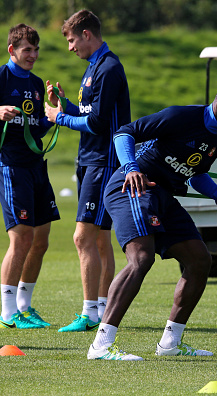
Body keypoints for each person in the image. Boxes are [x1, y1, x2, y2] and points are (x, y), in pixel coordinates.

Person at [86, 73, 217, 360]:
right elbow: (125, 132)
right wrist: (130, 167)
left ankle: (170, 344)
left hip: (163, 196)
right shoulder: (181, 116)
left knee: (199, 260)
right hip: (131, 186)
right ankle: (101, 345)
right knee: (141, 258)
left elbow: (197, 172)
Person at [45, 9, 130, 332]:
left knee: (83, 238)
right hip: (90, 161)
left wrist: (59, 119)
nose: (70, 47)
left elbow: (95, 123)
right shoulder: (94, 67)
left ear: (87, 35)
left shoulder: (109, 68)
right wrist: (64, 105)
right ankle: (103, 308)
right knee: (99, 240)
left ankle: (90, 313)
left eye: (71, 40)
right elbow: (90, 111)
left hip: (103, 162)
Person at [0, 24, 60, 329]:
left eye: (36, 50)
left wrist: (53, 113)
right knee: (21, 237)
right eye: (27, 49)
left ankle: (24, 305)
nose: (33, 55)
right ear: (12, 50)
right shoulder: (2, 77)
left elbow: (36, 127)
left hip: (37, 165)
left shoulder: (37, 84)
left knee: (41, 240)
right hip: (11, 166)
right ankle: (7, 312)